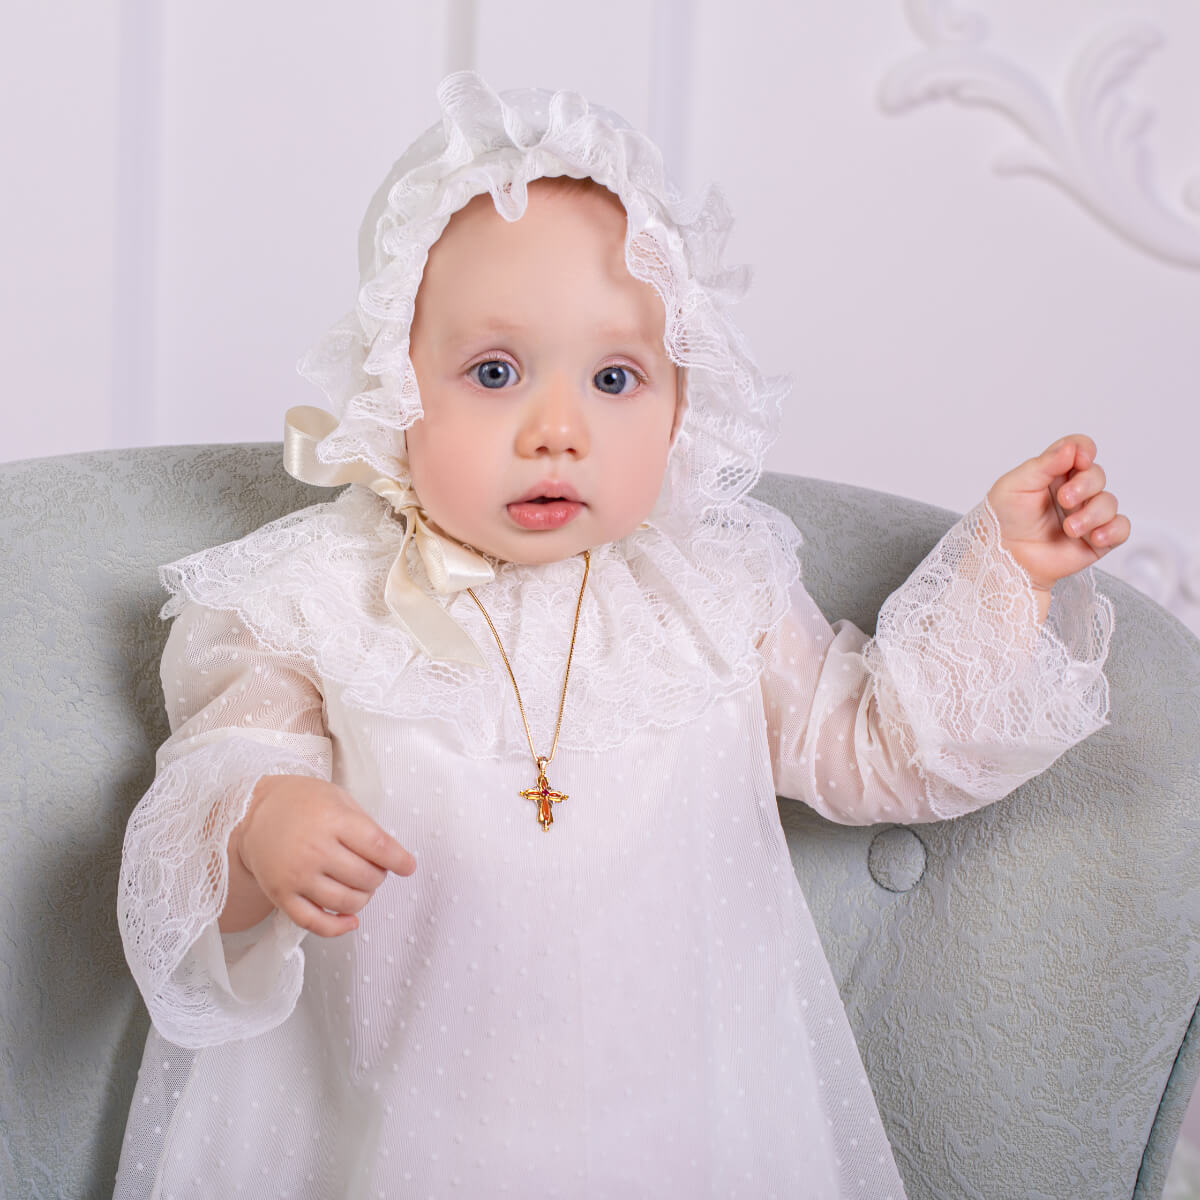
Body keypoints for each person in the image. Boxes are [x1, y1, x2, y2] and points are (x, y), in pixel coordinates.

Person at [115, 73, 1128, 1199]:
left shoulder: (712, 588)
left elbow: (874, 747)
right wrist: (263, 821)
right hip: (392, 1125)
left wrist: (1007, 571)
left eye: (614, 377)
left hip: (691, 1127)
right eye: (494, 372)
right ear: (396, 382)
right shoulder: (307, 597)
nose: (559, 430)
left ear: (682, 402)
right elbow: (218, 773)